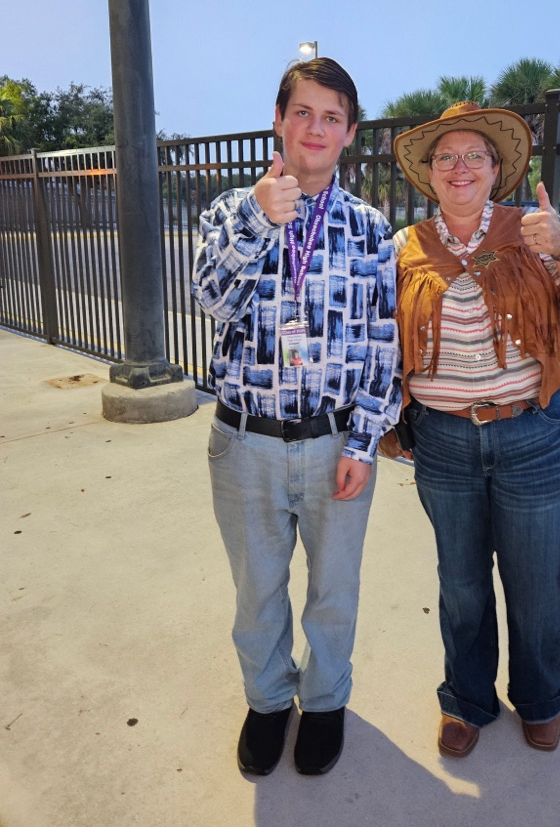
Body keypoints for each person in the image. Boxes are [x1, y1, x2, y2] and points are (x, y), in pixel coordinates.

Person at [191, 58, 401, 777]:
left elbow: (383, 345)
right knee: (257, 587)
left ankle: (326, 699)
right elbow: (212, 299)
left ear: (348, 134)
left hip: (334, 440)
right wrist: (257, 219)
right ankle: (268, 699)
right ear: (278, 120)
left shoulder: (370, 228)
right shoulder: (228, 210)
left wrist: (366, 443)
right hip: (245, 440)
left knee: (333, 588)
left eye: (333, 117)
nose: (317, 127)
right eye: (303, 112)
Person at [387, 101, 560, 758]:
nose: (461, 167)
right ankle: (467, 700)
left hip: (529, 437)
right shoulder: (407, 247)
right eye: (447, 157)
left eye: (474, 156)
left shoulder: (532, 232)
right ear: (430, 173)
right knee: (459, 586)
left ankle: (540, 698)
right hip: (445, 441)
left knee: (537, 586)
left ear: (495, 169)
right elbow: (377, 340)